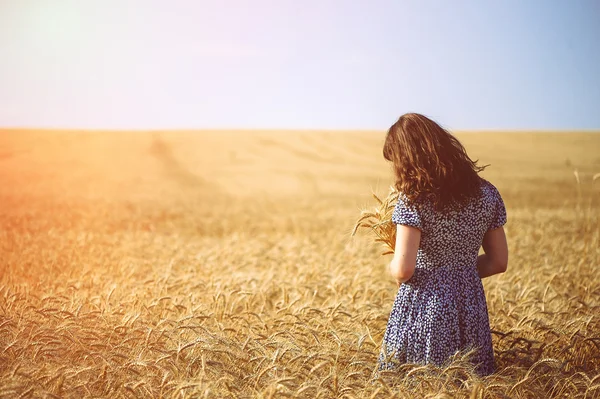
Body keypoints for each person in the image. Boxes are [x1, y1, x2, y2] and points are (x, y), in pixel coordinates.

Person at [378, 113, 508, 376]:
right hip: (470, 307)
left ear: (408, 158)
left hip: (425, 307)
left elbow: (404, 269)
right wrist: (459, 271)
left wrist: (395, 264)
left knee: (417, 384)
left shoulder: (413, 199)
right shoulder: (487, 193)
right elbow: (498, 262)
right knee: (470, 383)